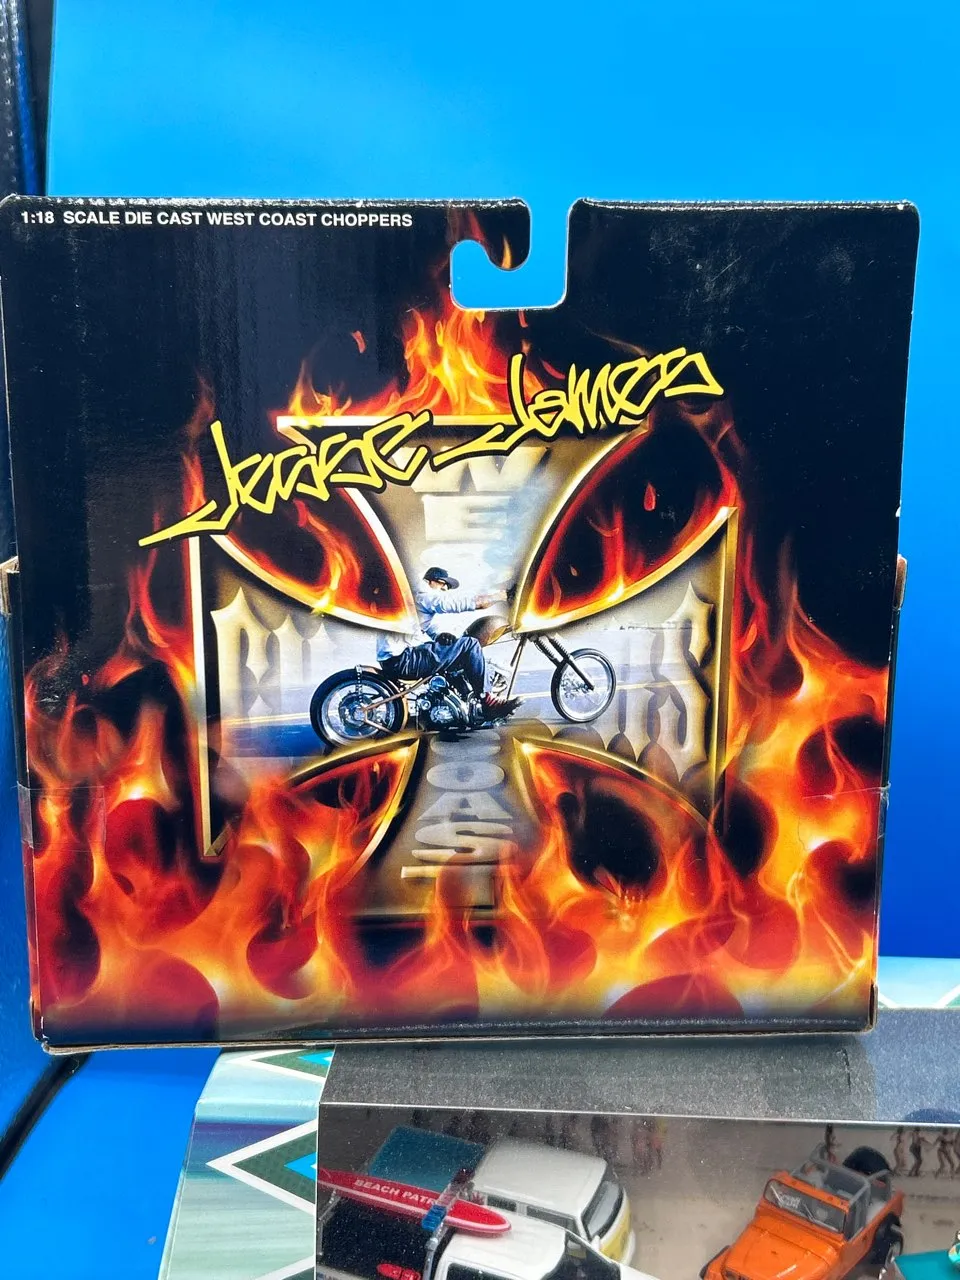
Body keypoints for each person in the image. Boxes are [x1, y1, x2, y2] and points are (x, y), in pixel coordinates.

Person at [376, 567, 519, 720]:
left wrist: (441, 635)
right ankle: (487, 701)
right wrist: (500, 596)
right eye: (442, 583)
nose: (445, 588)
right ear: (430, 581)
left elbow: (427, 626)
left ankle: (462, 699)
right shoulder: (422, 595)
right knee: (470, 644)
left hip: (397, 658)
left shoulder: (411, 597)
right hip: (402, 660)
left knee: (455, 649)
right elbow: (458, 603)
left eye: (447, 586)